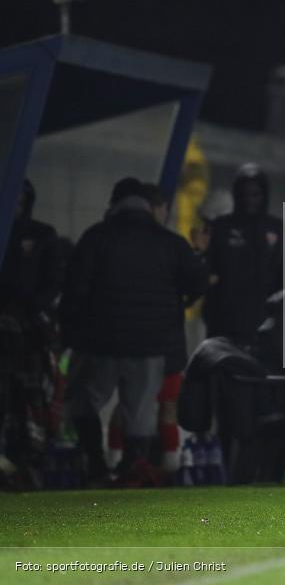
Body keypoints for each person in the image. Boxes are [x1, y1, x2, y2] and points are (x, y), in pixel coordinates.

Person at [60, 178, 209, 484]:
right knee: (139, 411)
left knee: (85, 400)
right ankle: (132, 468)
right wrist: (176, 302)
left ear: (114, 204)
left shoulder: (97, 237)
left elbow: (74, 288)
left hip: (102, 340)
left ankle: (97, 464)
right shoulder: (169, 243)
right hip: (150, 344)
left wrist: (70, 332)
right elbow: (198, 280)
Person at [0, 179, 62, 487]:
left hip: (27, 335)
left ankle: (26, 462)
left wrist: (25, 310)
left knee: (28, 399)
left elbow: (53, 282)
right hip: (11, 331)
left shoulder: (42, 235)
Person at [203, 163, 283, 344]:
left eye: (255, 195)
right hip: (224, 322)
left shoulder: (277, 230)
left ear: (264, 195)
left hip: (263, 321)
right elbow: (209, 273)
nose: (250, 200)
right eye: (245, 194)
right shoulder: (221, 227)